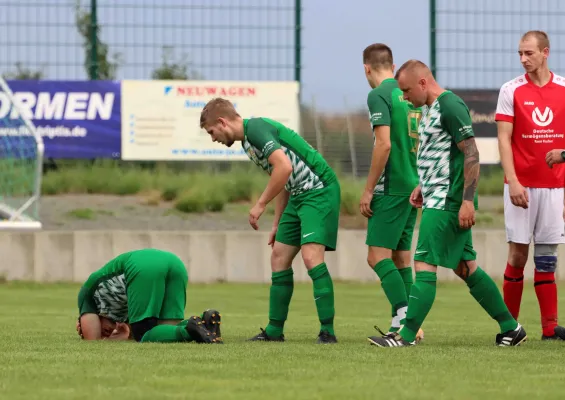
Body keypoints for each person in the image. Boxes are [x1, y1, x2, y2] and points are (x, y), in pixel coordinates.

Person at [368, 59, 527, 347]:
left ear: (423, 83)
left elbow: (471, 154)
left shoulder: (451, 105)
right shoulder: (430, 109)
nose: (404, 97)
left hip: (448, 200)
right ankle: (511, 327)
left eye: (406, 91)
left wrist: (467, 201)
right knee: (466, 267)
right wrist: (422, 185)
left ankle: (404, 336)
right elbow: (443, 154)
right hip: (437, 194)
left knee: (423, 262)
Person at [199, 98, 340, 344]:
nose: (213, 138)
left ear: (222, 122)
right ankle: (274, 331)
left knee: (311, 257)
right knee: (279, 257)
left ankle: (327, 331)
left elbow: (283, 167)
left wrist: (261, 204)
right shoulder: (247, 143)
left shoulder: (256, 129)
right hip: (298, 195)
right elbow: (282, 178)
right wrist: (277, 223)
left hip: (318, 190)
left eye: (212, 132)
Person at [495, 30, 565, 341]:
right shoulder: (510, 90)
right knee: (518, 256)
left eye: (529, 53)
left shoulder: (564, 88)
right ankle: (510, 327)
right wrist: (512, 182)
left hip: (555, 187)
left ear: (546, 52)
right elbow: (504, 139)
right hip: (521, 187)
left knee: (547, 257)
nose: (524, 59)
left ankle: (550, 328)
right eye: (520, 54)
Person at [359, 43, 424, 343]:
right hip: (413, 183)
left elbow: (383, 144)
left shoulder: (378, 94)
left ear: (367, 68)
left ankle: (403, 317)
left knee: (376, 257)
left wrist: (369, 189)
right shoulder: (407, 93)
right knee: (400, 258)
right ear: (393, 64)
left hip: (391, 186)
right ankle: (413, 327)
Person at [76, 248, 222, 344]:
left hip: (142, 266)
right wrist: (123, 335)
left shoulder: (87, 295)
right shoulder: (119, 311)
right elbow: (151, 331)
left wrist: (85, 327)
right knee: (168, 330)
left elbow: (92, 342)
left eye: (103, 331)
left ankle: (189, 331)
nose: (106, 334)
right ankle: (205, 324)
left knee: (143, 334)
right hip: (174, 262)